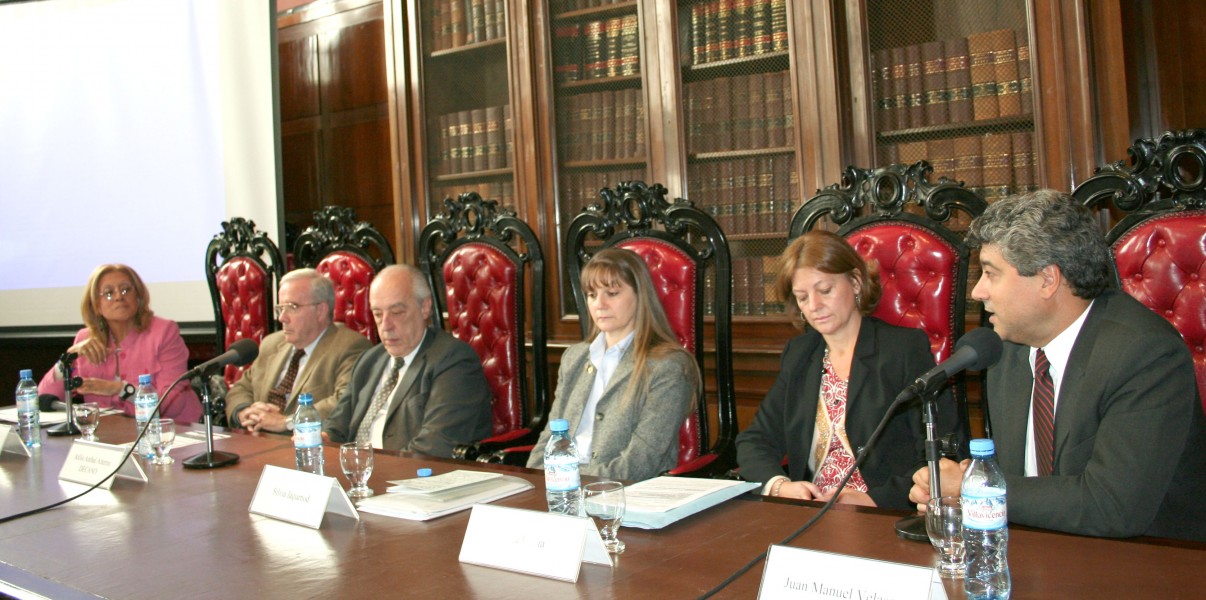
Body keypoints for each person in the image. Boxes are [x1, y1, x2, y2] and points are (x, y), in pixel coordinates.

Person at [908, 190, 1206, 541]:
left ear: (1048, 280)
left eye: (991, 273)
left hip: (1151, 563)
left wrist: (976, 488)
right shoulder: (1005, 348)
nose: (977, 291)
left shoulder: (1144, 354)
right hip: (1040, 554)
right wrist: (957, 491)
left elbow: (1111, 507)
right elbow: (1024, 488)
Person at [736, 231, 946, 510]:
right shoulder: (800, 354)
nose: (814, 306)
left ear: (856, 282)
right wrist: (779, 485)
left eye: (825, 290)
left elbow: (939, 452)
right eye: (802, 297)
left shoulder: (903, 350)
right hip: (811, 513)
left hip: (882, 515)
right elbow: (755, 440)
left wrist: (875, 500)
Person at [527, 248, 699, 482]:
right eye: (591, 294)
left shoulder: (668, 366)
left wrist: (568, 482)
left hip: (624, 493)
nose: (600, 304)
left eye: (612, 293)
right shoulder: (574, 358)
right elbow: (550, 436)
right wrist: (533, 479)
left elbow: (642, 460)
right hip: (561, 487)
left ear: (641, 296)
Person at [324, 264, 492, 456]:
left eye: (396, 312)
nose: (385, 325)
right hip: (356, 474)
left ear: (425, 307)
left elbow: (435, 446)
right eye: (378, 314)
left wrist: (370, 470)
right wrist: (323, 440)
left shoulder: (454, 361)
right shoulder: (370, 359)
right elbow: (336, 426)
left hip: (411, 477)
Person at [37, 264, 200, 422]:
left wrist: (119, 389)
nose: (118, 297)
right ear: (96, 306)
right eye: (108, 293)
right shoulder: (85, 340)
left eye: (126, 289)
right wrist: (68, 358)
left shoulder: (164, 332)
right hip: (111, 436)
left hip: (172, 430)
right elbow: (42, 399)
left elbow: (171, 404)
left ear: (138, 297)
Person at [225, 269, 371, 433]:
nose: (282, 318)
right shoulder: (271, 343)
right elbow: (241, 388)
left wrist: (287, 422)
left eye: (292, 307)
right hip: (258, 442)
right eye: (280, 309)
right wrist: (245, 411)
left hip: (308, 447)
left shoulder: (350, 346)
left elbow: (345, 402)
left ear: (321, 310)